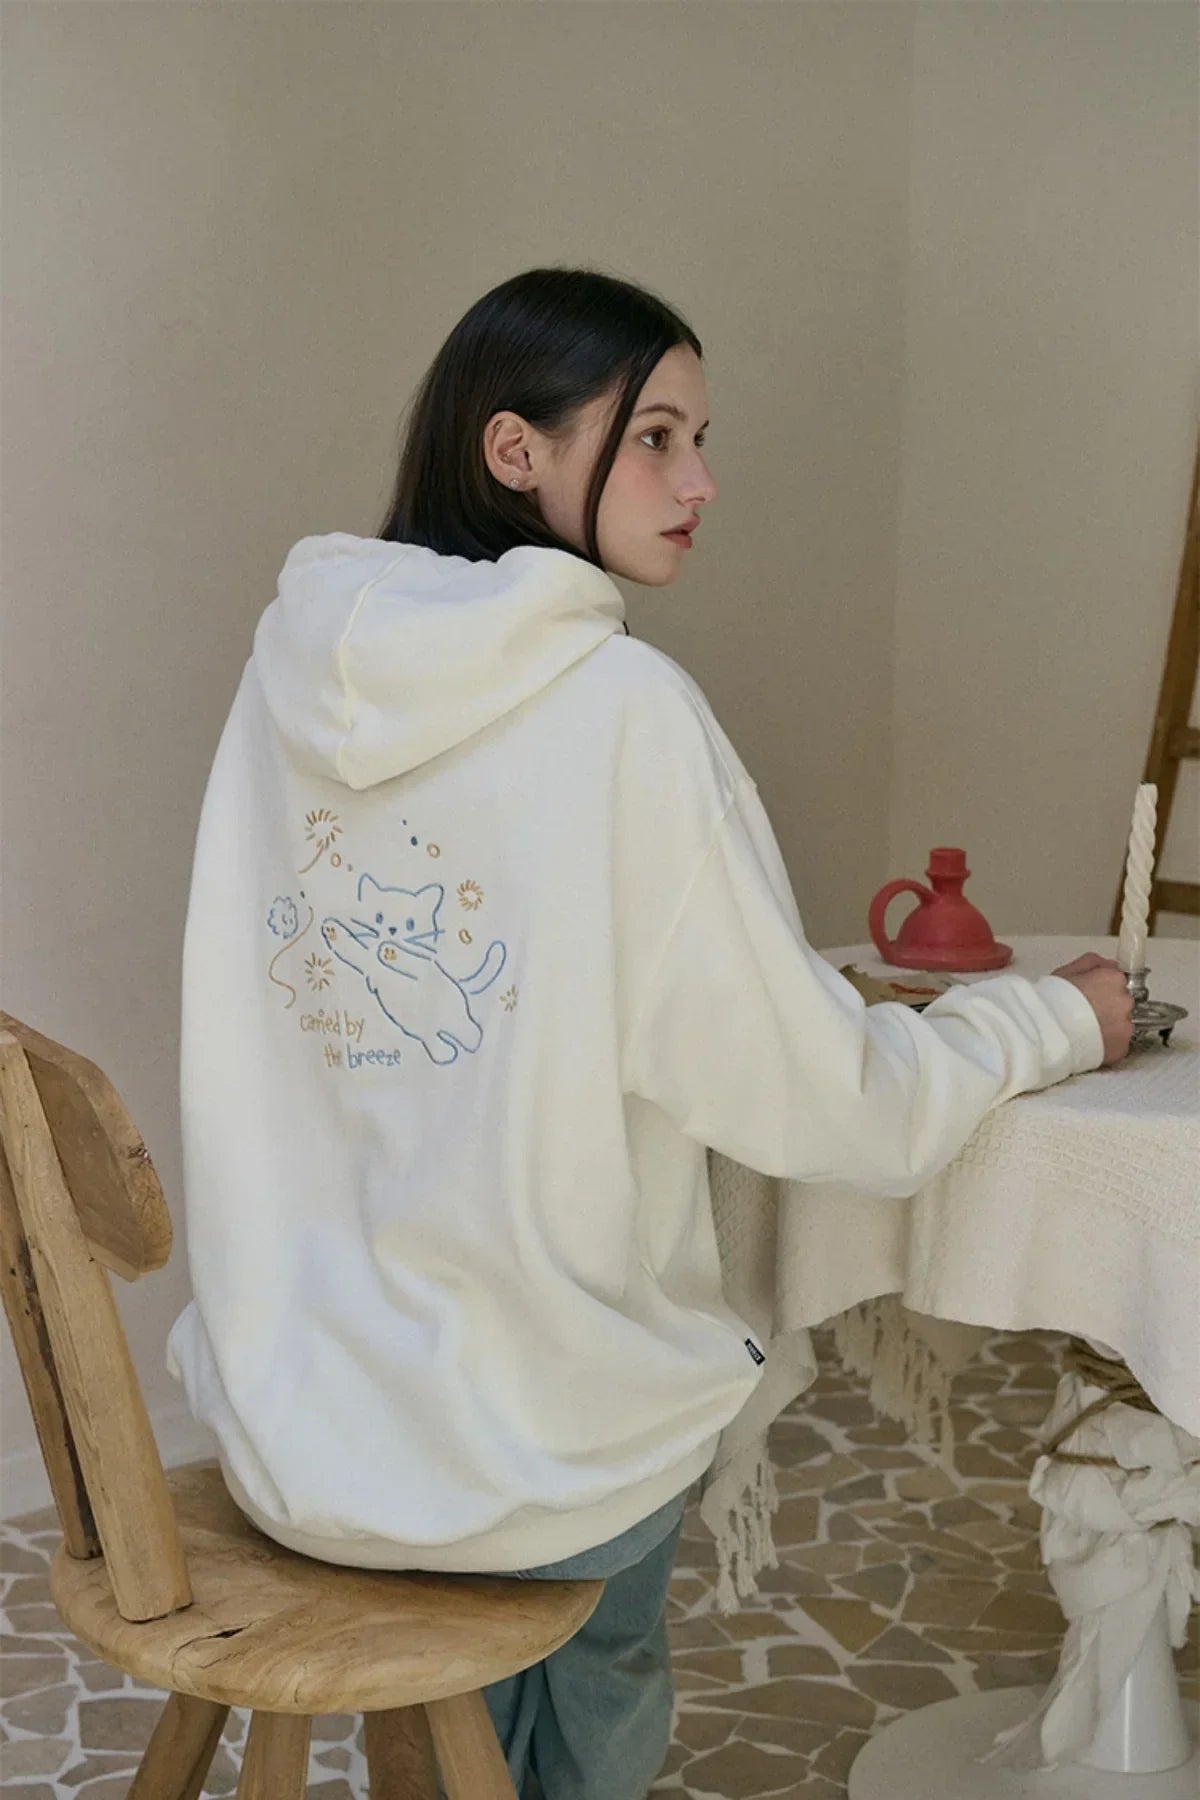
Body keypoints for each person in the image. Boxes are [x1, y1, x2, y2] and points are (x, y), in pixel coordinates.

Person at [165, 266, 1134, 1800]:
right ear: (516, 452)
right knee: (607, 1605)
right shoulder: (624, 711)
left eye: (702, 438)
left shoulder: (284, 680)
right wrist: (1051, 1021)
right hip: (530, 1458)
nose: (702, 481)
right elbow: (838, 1112)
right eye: (658, 438)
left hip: (298, 1432)